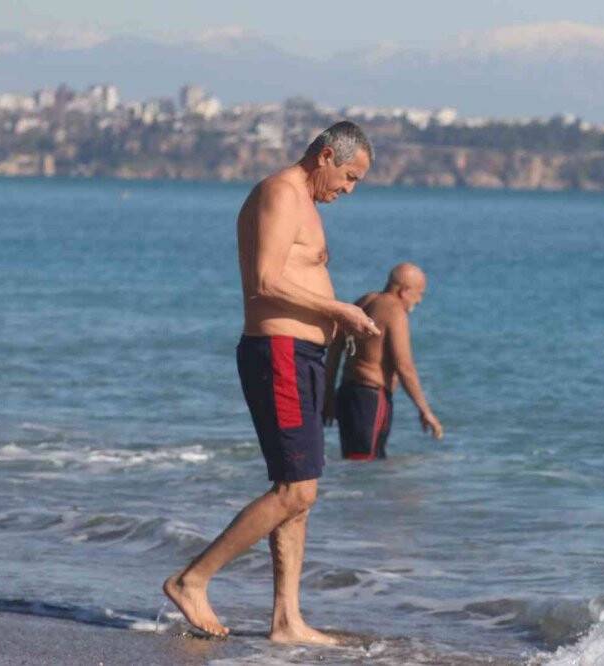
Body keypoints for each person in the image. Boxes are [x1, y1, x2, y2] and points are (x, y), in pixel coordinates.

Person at [162, 122, 380, 644]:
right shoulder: (280, 193)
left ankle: (286, 621)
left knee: (301, 489)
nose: (349, 190)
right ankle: (192, 579)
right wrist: (339, 311)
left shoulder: (302, 201)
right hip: (279, 352)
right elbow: (266, 281)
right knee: (295, 490)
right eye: (349, 177)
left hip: (302, 355)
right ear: (326, 156)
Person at [324, 262, 443, 460]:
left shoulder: (362, 302)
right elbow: (404, 366)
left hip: (347, 394)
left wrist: (328, 394)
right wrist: (425, 410)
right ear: (404, 291)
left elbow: (335, 351)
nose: (420, 300)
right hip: (371, 398)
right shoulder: (395, 310)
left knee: (354, 460)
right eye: (419, 293)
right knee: (368, 463)